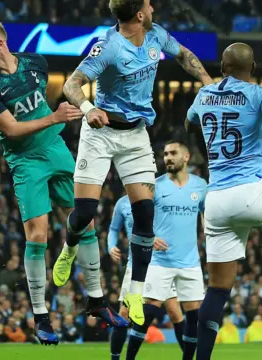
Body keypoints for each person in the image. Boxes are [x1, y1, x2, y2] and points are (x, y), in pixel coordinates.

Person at [0, 21, 128, 345]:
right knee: (38, 234)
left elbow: (44, 100)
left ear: (0, 43)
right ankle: (41, 318)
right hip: (25, 162)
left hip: (55, 148)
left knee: (86, 220)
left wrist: (56, 120)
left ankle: (96, 300)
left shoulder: (35, 64)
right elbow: (12, 130)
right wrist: (54, 117)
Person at [60, 0, 213, 325]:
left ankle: (134, 291)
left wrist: (207, 81)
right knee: (86, 212)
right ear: (140, 14)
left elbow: (184, 55)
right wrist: (89, 109)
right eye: (148, 4)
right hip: (100, 133)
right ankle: (70, 244)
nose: (153, 6)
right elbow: (70, 84)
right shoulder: (109, 47)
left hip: (136, 136)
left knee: (145, 217)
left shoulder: (157, 35)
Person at [185, 42, 262, 360]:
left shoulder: (205, 95)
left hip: (216, 198)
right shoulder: (257, 95)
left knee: (216, 290)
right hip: (252, 192)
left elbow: (190, 125)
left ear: (222, 67)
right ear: (253, 69)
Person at [124, 140, 207, 360]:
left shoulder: (200, 186)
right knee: (148, 311)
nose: (168, 157)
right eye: (165, 154)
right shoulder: (155, 186)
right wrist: (150, 237)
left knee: (193, 316)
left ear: (186, 157)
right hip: (159, 261)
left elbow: (207, 215)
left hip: (189, 262)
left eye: (173, 153)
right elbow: (137, 219)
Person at [109, 193, 186, 359]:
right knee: (124, 314)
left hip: (162, 263)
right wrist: (110, 246)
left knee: (174, 311)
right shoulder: (122, 203)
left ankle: (188, 355)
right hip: (135, 263)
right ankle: (115, 357)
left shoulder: (160, 198)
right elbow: (114, 228)